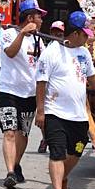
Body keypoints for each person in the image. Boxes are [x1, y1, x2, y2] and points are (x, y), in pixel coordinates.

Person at [35, 11, 95, 189]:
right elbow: (41, 83)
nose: (88, 38)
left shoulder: (84, 53)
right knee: (57, 153)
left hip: (79, 114)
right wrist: (40, 111)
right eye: (85, 34)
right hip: (55, 112)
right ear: (76, 33)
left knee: (76, 152)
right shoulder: (51, 52)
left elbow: (92, 80)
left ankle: (63, 177)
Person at [0, 0, 46, 189]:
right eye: (39, 16)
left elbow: (44, 64)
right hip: (9, 91)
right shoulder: (9, 34)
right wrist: (22, 33)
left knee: (22, 133)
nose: (41, 20)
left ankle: (16, 164)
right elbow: (10, 52)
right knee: (9, 131)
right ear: (30, 17)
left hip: (30, 94)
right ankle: (10, 172)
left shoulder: (38, 39)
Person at [37, 20, 66, 154]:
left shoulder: (69, 49)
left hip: (63, 90)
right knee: (46, 118)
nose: (57, 34)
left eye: (60, 32)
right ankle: (45, 139)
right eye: (54, 32)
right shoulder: (47, 50)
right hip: (48, 87)